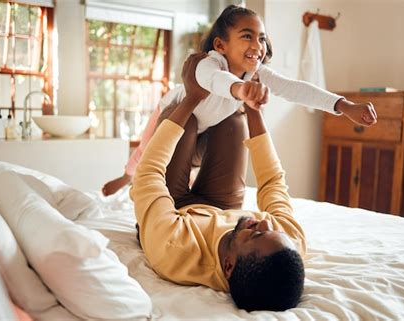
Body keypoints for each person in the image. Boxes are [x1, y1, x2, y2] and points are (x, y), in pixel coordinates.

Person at [103, 4, 377, 196]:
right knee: (147, 151)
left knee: (226, 134)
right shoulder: (208, 63)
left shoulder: (255, 73)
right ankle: (127, 178)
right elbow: (214, 81)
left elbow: (294, 88)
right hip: (173, 116)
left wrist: (344, 106)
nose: (257, 46)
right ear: (221, 45)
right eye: (247, 37)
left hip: (206, 132)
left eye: (261, 39)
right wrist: (240, 91)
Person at [131, 52, 306, 312]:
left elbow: (147, 174)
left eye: (256, 232)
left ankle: (190, 124)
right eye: (273, 229)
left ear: (228, 266)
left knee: (181, 117)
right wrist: (253, 109)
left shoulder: (174, 249)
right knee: (234, 120)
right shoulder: (286, 244)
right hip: (223, 207)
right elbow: (272, 182)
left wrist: (192, 97)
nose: (266, 221)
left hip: (173, 210)